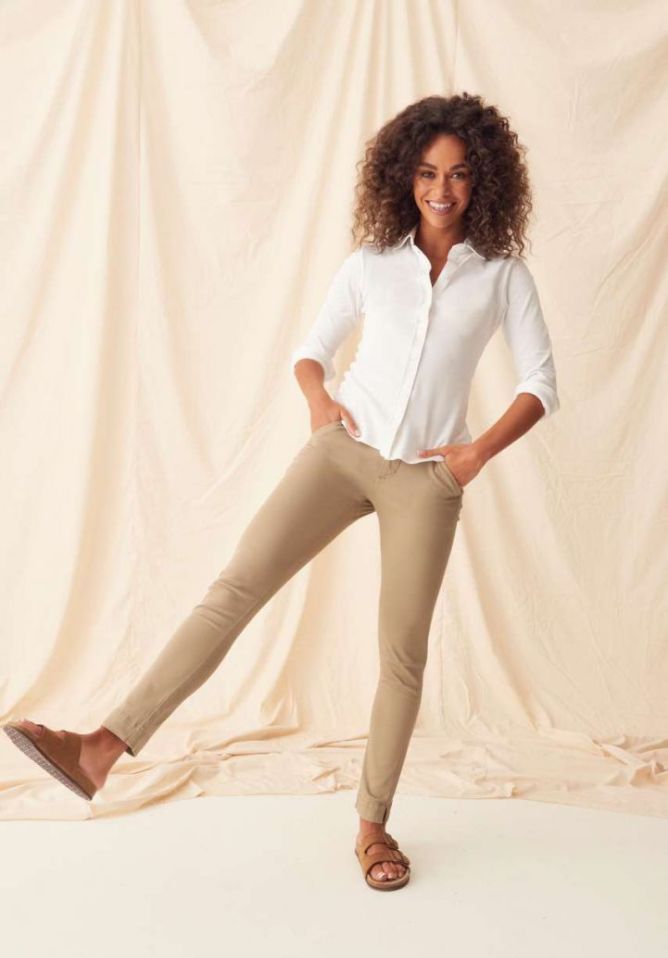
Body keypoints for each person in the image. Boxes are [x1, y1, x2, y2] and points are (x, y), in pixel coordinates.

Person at [3, 92, 559, 892]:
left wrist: (475, 453)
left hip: (427, 481)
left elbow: (541, 382)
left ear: (484, 182)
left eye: (460, 174)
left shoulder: (502, 278)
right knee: (233, 592)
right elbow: (311, 350)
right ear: (405, 178)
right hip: (343, 455)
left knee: (401, 657)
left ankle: (373, 826)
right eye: (428, 173)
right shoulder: (372, 265)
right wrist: (318, 400)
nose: (443, 189)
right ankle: (99, 749)